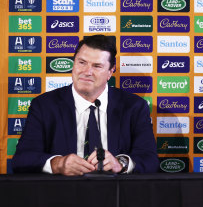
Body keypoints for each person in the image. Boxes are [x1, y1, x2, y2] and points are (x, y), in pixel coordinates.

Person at [12, 35, 158, 175]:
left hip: (114, 195)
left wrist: (120, 164)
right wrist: (57, 164)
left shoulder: (134, 107)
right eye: (82, 62)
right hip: (61, 194)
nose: (87, 72)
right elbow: (22, 159)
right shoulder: (44, 105)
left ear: (110, 72)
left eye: (97, 66)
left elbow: (150, 160)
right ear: (74, 63)